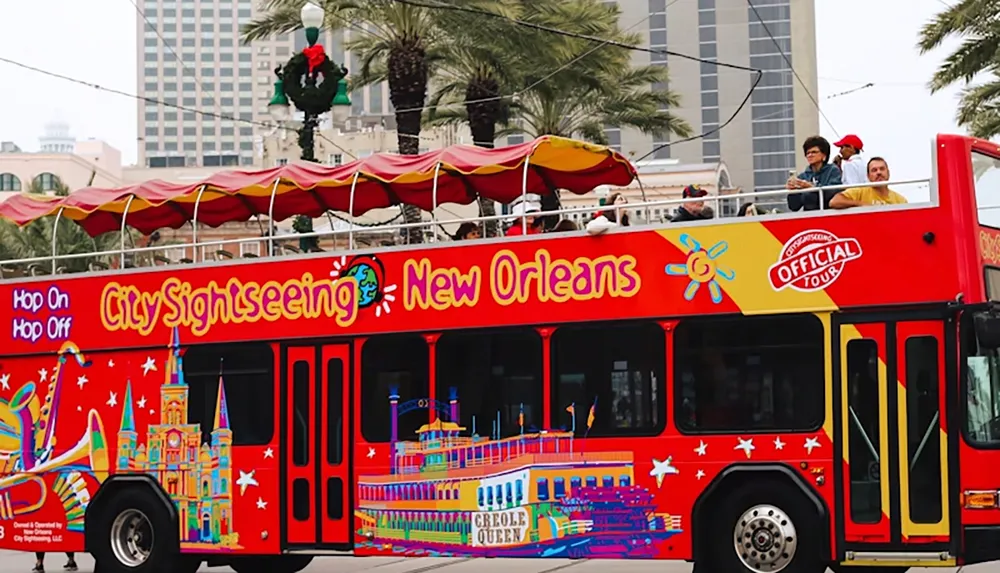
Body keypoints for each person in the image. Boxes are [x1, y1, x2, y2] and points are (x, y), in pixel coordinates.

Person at [786, 135, 843, 211]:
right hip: (809, 217)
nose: (810, 155)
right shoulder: (803, 176)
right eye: (807, 153)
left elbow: (833, 194)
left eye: (814, 152)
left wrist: (812, 187)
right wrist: (793, 191)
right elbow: (794, 206)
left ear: (824, 155)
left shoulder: (833, 171)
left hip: (829, 214)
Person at [829, 157, 908, 209]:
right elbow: (834, 202)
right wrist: (860, 204)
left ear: (888, 173)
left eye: (882, 169)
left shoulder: (900, 200)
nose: (879, 172)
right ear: (868, 176)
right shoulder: (860, 191)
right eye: (874, 170)